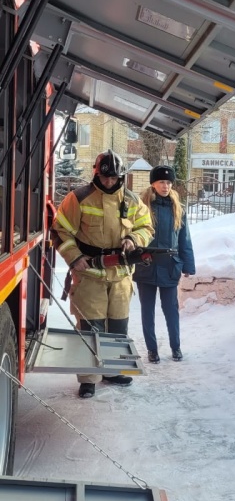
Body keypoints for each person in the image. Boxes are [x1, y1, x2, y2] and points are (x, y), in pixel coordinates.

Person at [51, 149, 154, 398]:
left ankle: (113, 370)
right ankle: (89, 378)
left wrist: (133, 238)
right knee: (90, 328)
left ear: (121, 177)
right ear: (97, 174)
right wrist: (74, 258)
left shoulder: (130, 200)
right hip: (89, 275)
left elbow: (146, 227)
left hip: (120, 274)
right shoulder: (79, 198)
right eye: (106, 177)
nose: (110, 182)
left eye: (115, 178)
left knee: (118, 327)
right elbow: (59, 231)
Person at [133, 165, 195, 363]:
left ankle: (175, 346)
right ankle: (152, 350)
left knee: (171, 310)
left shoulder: (178, 208)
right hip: (146, 264)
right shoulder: (141, 206)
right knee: (147, 311)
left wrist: (188, 266)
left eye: (169, 182)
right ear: (153, 183)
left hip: (170, 265)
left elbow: (185, 239)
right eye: (161, 182)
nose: (166, 186)